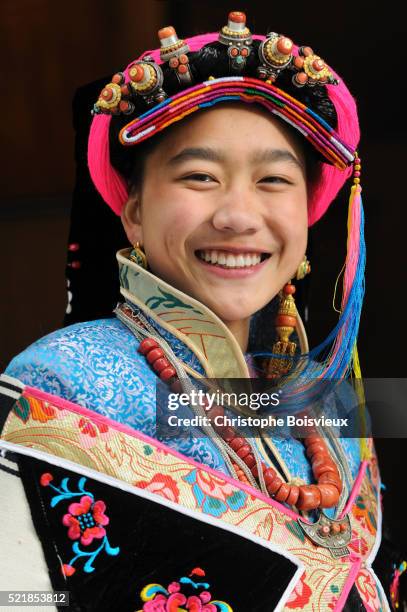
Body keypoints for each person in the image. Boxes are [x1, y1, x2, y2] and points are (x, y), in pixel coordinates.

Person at [0, 11, 404, 611]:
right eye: (199, 176)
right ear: (133, 211)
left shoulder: (332, 398)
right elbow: (18, 596)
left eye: (273, 180)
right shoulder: (58, 382)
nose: (238, 216)